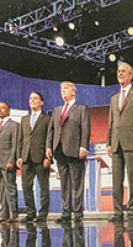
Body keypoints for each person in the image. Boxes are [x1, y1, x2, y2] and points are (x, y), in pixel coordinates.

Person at [106, 62, 133, 222]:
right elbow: (111, 122)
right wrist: (108, 143)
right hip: (116, 142)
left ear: (131, 75)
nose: (120, 74)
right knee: (116, 179)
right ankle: (117, 212)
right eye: (119, 71)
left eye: (124, 71)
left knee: (132, 178)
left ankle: (131, 211)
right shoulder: (114, 98)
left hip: (132, 141)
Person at [46, 81, 91, 223]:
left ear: (74, 92)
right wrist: (48, 147)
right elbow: (51, 130)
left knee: (77, 183)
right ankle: (66, 213)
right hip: (59, 151)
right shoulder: (57, 110)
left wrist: (84, 146)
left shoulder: (81, 109)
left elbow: (85, 129)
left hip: (75, 150)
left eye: (66, 89)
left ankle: (77, 213)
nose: (63, 91)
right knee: (64, 183)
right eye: (61, 89)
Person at [17, 92, 51, 223]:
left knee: (43, 187)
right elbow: (21, 139)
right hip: (26, 158)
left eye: (35, 98)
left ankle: (42, 214)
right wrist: (19, 156)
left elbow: (50, 139)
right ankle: (30, 212)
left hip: (41, 157)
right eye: (30, 98)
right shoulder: (24, 119)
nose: (32, 100)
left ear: (41, 102)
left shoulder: (47, 119)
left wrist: (48, 157)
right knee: (26, 186)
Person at [0, 102, 19, 223]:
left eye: (2, 108)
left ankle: (14, 214)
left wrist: (11, 160)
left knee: (10, 188)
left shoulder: (14, 125)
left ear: (8, 110)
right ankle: (4, 214)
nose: (0, 110)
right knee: (1, 190)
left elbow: (15, 145)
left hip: (7, 162)